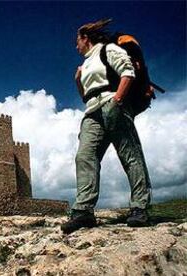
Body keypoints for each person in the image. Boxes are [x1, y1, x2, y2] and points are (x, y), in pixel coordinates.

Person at [61, 19, 152, 234]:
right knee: (85, 156)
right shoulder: (86, 65)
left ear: (86, 38)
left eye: (77, 41)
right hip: (92, 112)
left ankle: (140, 207)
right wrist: (78, 81)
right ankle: (83, 211)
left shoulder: (108, 49)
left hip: (113, 104)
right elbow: (86, 97)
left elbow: (127, 72)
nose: (76, 46)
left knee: (130, 155)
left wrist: (118, 100)